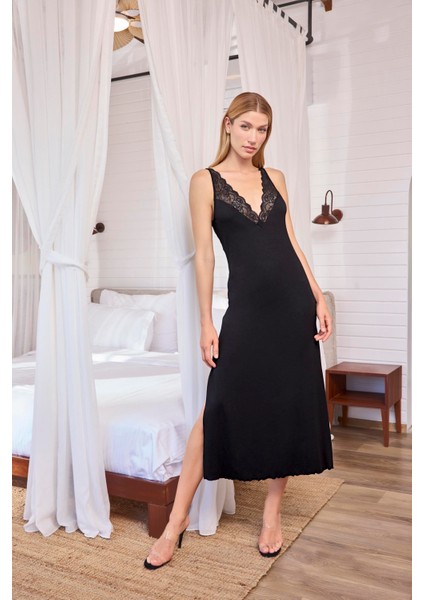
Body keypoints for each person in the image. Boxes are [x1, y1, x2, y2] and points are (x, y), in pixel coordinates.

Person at [144, 91, 334, 570]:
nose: (254, 137)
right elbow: (204, 257)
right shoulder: (204, 182)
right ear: (227, 124)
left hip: (293, 307)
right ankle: (175, 522)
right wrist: (206, 321)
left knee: (289, 405)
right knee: (215, 410)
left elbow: (292, 241)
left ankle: (272, 514)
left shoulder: (276, 178)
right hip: (247, 309)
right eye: (246, 126)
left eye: (262, 129)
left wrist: (317, 295)